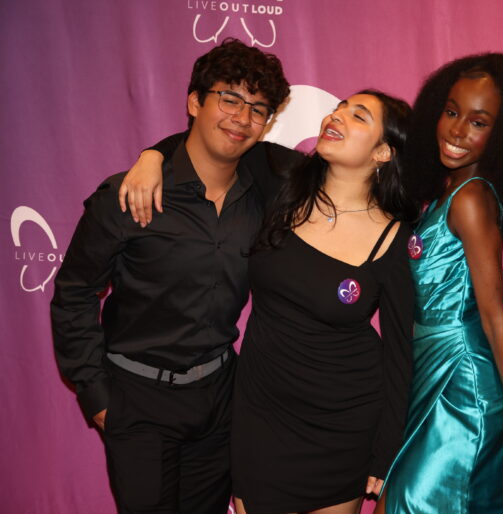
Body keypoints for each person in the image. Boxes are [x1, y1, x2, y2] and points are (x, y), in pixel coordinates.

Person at [121, 90, 416, 514]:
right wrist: (152, 155)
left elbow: (401, 354)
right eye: (339, 108)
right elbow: (211, 143)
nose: (337, 116)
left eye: (359, 116)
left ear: (383, 152)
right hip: (262, 416)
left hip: (345, 424)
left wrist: (387, 449)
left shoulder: (395, 238)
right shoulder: (281, 180)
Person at [51, 39, 290, 514]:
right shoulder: (128, 195)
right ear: (194, 102)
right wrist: (98, 398)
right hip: (136, 401)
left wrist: (153, 151)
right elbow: (74, 294)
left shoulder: (267, 189)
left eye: (258, 109)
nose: (242, 118)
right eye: (229, 99)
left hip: (220, 400)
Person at [375, 53, 503, 514]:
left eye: (479, 122)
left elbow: (494, 319)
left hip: (464, 382)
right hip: (433, 369)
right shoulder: (447, 192)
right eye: (451, 112)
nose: (457, 130)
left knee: (412, 503)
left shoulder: (471, 199)